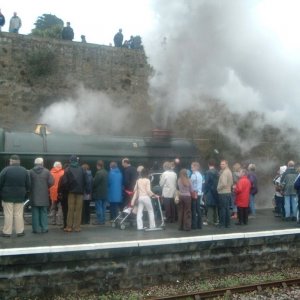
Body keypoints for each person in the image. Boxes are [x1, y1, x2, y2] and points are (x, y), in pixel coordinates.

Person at [0, 155, 31, 237]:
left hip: (7, 196)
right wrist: (26, 192)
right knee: (18, 214)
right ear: (19, 162)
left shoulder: (5, 170)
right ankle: (20, 231)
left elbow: (0, 182)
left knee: (8, 214)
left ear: (11, 161)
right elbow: (28, 184)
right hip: (20, 196)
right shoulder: (24, 170)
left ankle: (7, 232)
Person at [63, 155, 88, 232]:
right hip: (80, 192)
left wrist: (67, 189)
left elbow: (65, 182)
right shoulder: (82, 169)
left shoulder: (67, 169)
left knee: (70, 209)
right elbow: (86, 180)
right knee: (78, 210)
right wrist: (84, 189)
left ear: (70, 161)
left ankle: (69, 227)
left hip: (71, 192)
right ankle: (77, 227)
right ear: (77, 161)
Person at [29, 157, 54, 234]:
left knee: (35, 213)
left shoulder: (30, 172)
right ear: (42, 163)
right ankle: (44, 228)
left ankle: (36, 229)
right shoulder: (47, 171)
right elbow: (51, 182)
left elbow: (28, 183)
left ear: (35, 163)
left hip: (34, 195)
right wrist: (46, 187)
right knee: (43, 212)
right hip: (44, 195)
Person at [217, 160, 233, 228]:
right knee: (227, 209)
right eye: (221, 164)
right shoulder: (229, 171)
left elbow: (223, 183)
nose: (221, 165)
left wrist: (218, 188)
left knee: (222, 209)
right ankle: (227, 224)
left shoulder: (224, 173)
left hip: (223, 193)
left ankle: (222, 224)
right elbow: (231, 182)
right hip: (228, 192)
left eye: (223, 164)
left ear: (226, 164)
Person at [203, 159, 219, 225]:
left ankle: (209, 221)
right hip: (216, 191)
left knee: (209, 206)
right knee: (215, 206)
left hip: (209, 191)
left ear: (208, 164)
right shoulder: (217, 172)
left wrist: (204, 191)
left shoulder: (208, 172)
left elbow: (206, 183)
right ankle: (216, 220)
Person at [92, 160, 108, 225]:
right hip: (105, 193)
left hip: (98, 193)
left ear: (98, 166)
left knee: (99, 207)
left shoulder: (99, 173)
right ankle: (103, 220)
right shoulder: (106, 172)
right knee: (104, 207)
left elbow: (95, 183)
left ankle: (99, 220)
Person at [49, 161, 64, 226]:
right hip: (60, 192)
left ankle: (53, 221)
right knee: (60, 207)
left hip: (52, 192)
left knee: (53, 207)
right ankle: (59, 222)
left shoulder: (50, 173)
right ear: (60, 166)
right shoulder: (63, 172)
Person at [190, 162, 203, 229]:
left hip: (194, 193)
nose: (191, 167)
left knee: (193, 209)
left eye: (192, 166)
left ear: (195, 167)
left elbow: (191, 184)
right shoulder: (200, 175)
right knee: (198, 209)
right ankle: (200, 225)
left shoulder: (193, 175)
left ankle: (194, 225)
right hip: (199, 193)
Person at [57, 163, 69, 229]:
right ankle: (69, 224)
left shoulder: (62, 177)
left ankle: (65, 225)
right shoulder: (71, 178)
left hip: (64, 196)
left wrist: (59, 194)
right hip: (70, 196)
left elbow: (59, 188)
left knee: (64, 211)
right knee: (70, 211)